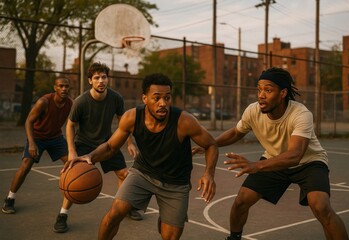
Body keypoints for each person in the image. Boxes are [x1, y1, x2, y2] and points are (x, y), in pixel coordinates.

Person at [195, 67, 349, 240]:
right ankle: (234, 238)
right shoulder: (253, 111)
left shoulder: (300, 114)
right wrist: (210, 144)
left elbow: (295, 154)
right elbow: (236, 132)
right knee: (241, 201)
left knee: (321, 207)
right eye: (259, 89)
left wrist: (256, 165)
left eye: (268, 90)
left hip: (309, 163)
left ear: (283, 93)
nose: (261, 95)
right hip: (274, 160)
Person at [63, 73, 219, 240]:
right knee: (113, 215)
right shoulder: (132, 117)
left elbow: (211, 145)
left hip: (175, 182)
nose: (163, 103)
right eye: (157, 98)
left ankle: (165, 216)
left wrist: (208, 173)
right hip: (143, 173)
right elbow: (110, 146)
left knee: (170, 237)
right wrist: (90, 156)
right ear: (145, 98)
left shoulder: (184, 121)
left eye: (167, 98)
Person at [53, 62, 141, 233]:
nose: (101, 81)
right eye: (97, 78)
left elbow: (124, 123)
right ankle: (62, 215)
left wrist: (130, 143)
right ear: (90, 81)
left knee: (124, 174)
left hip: (107, 143)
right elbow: (70, 125)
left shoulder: (116, 98)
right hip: (84, 143)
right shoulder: (81, 101)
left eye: (104, 77)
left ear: (107, 79)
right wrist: (72, 151)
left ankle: (125, 207)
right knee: (75, 179)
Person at [2, 77, 72, 214]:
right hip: (37, 137)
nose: (64, 89)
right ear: (55, 88)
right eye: (61, 86)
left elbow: (74, 123)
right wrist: (32, 143)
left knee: (72, 164)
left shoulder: (70, 103)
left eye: (66, 86)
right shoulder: (44, 102)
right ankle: (10, 199)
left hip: (56, 138)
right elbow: (28, 121)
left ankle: (68, 202)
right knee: (26, 165)